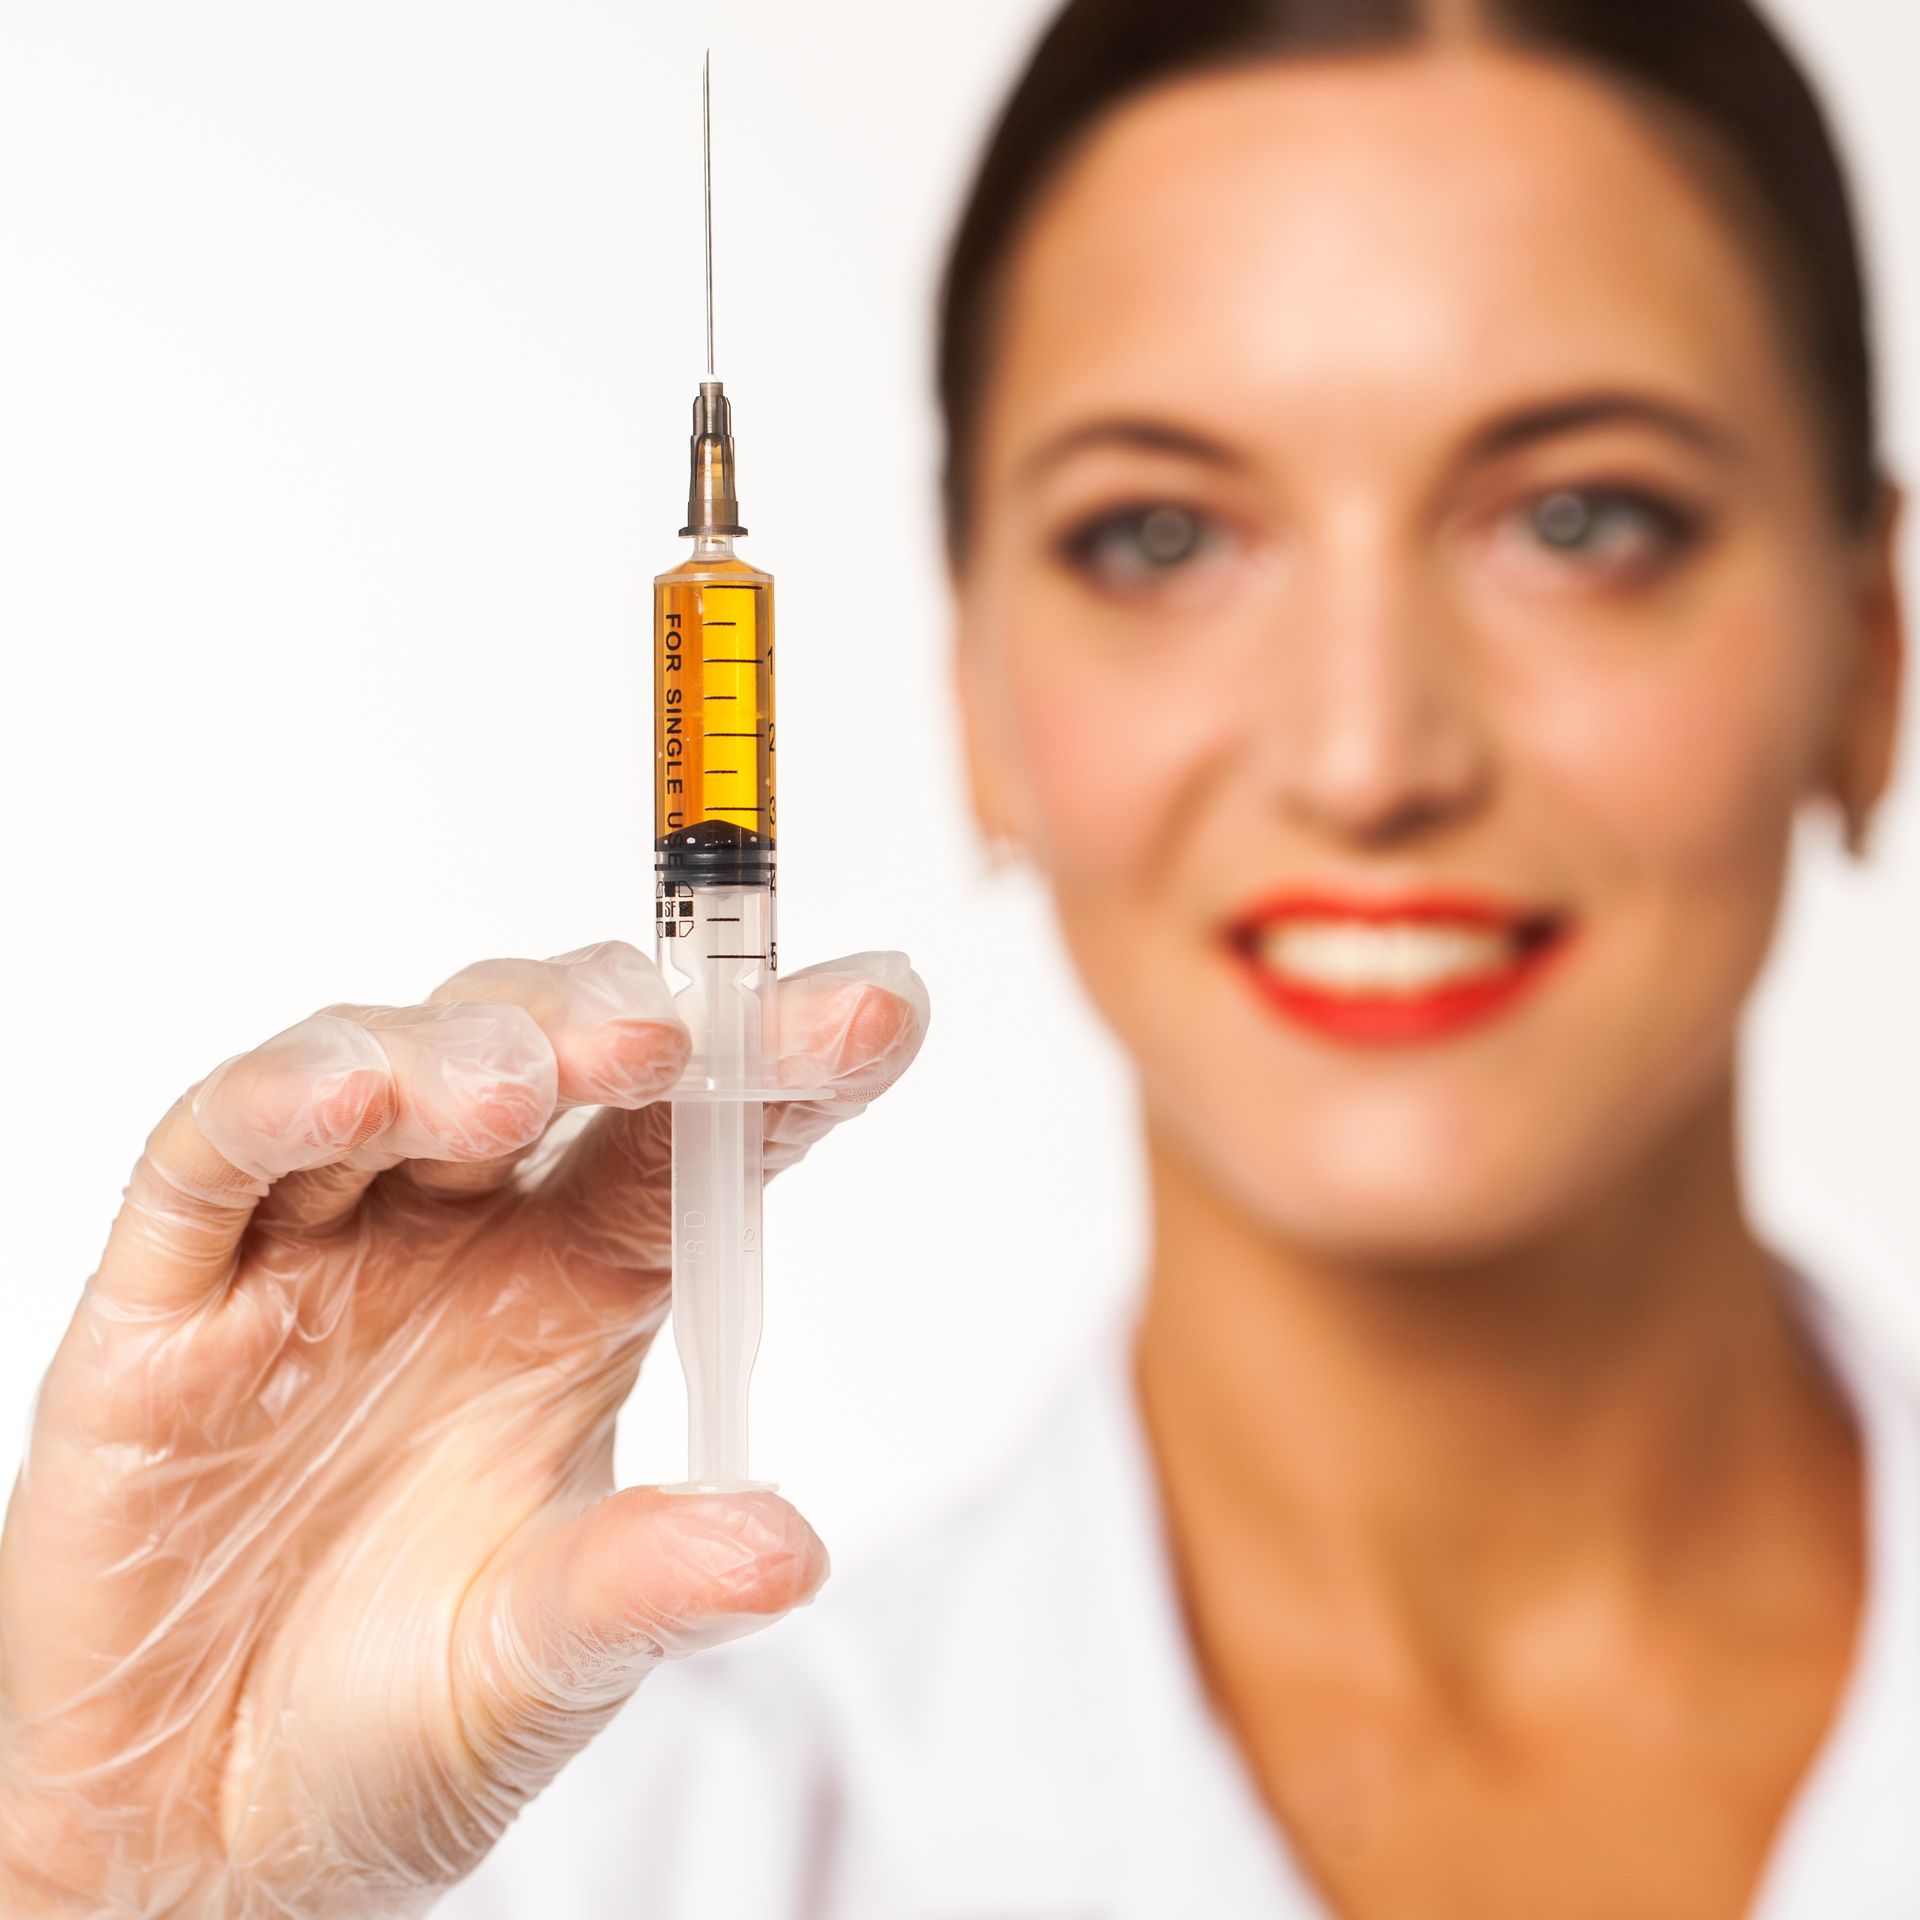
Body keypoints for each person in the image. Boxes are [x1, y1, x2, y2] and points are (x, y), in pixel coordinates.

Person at [2, 0, 1912, 1912]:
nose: (1368, 751)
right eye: (1160, 533)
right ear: (975, 693)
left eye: (1580, 519)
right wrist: (111, 1884)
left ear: (1875, 650)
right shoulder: (623, 1864)